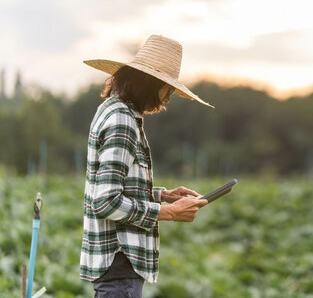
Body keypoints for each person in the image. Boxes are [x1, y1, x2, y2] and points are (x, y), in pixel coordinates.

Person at [80, 35, 213, 297]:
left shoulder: (114, 110)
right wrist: (169, 212)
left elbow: (113, 186)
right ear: (150, 84)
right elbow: (105, 202)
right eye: (168, 88)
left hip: (117, 266)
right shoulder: (122, 121)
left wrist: (162, 195)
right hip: (119, 260)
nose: (168, 98)